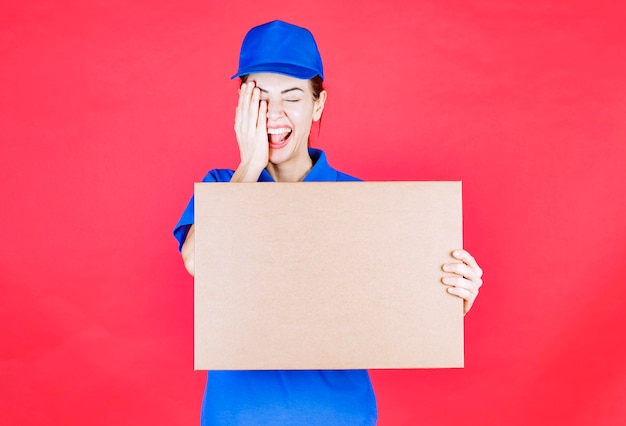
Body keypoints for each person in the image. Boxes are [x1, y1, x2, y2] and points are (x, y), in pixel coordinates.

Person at [173, 20, 483, 426]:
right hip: (236, 416)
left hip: (339, 415)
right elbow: (198, 261)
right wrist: (249, 166)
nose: (276, 113)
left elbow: (397, 308)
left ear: (318, 104)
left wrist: (450, 300)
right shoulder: (221, 188)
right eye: (260, 97)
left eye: (293, 96)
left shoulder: (361, 201)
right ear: (241, 105)